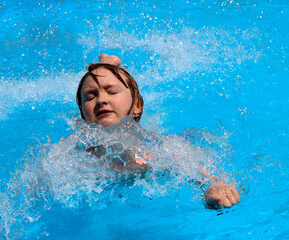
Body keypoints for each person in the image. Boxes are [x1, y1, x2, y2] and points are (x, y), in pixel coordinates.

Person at [76, 53, 240, 208]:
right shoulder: (75, 155)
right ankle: (107, 64)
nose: (101, 100)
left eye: (111, 91)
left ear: (137, 106)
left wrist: (216, 187)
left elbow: (201, 171)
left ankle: (108, 64)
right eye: (90, 96)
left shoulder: (153, 150)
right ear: (83, 114)